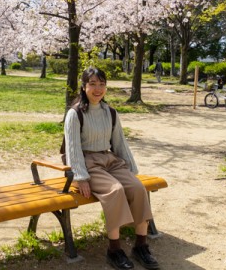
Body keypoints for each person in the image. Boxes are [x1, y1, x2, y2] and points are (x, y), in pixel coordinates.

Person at [64, 68, 160, 270]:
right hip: (87, 163)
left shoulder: (111, 112)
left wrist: (131, 171)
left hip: (110, 159)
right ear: (84, 86)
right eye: (92, 83)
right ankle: (114, 250)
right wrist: (81, 177)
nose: (97, 89)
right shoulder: (75, 114)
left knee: (137, 188)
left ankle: (141, 246)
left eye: (101, 84)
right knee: (115, 191)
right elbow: (73, 149)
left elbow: (120, 144)